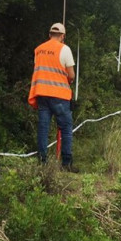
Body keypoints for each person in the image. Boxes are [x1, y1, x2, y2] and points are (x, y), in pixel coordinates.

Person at [28, 23, 78, 172]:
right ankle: (66, 164)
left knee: (43, 129)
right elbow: (71, 75)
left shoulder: (39, 50)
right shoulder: (65, 49)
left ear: (50, 35)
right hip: (59, 96)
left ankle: (42, 162)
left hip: (42, 94)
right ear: (62, 36)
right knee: (66, 129)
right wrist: (68, 80)